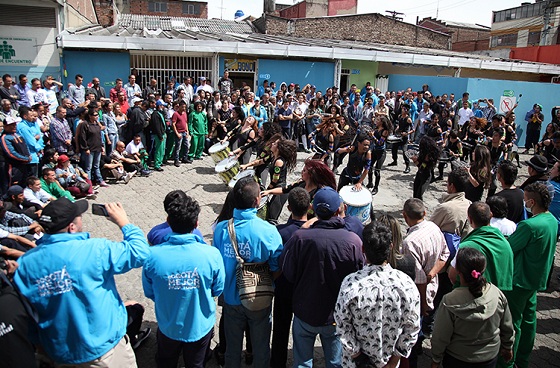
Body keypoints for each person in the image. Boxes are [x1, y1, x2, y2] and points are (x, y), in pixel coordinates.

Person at [13, 198, 150, 366]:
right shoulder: (95, 249)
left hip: (59, 354)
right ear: (72, 227)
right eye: (79, 217)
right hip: (104, 352)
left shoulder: (24, 265)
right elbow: (140, 252)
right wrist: (124, 222)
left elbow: (27, 315)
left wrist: (40, 345)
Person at [280, 187, 364, 368]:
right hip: (336, 314)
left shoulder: (300, 237)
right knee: (335, 362)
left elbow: (288, 271)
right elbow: (359, 277)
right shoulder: (352, 241)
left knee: (302, 362)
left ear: (313, 209)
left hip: (305, 311)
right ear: (338, 211)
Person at [143, 192, 225, 368]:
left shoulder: (152, 256)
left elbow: (150, 292)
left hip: (168, 324)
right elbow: (217, 289)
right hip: (200, 325)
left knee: (166, 361)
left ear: (169, 222)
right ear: (196, 224)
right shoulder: (211, 255)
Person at [212, 177, 283, 368]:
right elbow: (277, 266)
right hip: (259, 298)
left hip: (231, 298)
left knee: (232, 349)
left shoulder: (221, 229)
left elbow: (217, 262)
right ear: (257, 201)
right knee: (261, 348)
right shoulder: (268, 231)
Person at [335, 221, 420, 368]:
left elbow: (342, 325)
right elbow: (412, 327)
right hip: (388, 362)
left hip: (356, 364)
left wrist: (359, 357)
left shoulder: (351, 284)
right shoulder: (406, 285)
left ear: (363, 249)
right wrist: (393, 362)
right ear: (391, 247)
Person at [500, 182, 558, 368]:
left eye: (525, 200)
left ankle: (507, 362)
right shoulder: (553, 221)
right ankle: (523, 359)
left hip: (519, 280)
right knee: (529, 321)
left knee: (512, 324)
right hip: (536, 279)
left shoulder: (529, 225)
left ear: (532, 202)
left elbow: (509, 247)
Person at [431, 247, 514, 368]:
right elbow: (507, 326)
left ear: (458, 270)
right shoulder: (496, 293)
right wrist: (508, 346)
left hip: (457, 358)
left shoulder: (449, 300)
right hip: (489, 357)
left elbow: (440, 336)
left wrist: (435, 359)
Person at [271, 187, 310, 368]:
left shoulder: (281, 232)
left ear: (288, 208)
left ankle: (277, 361)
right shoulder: (313, 232)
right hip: (305, 290)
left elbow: (276, 262)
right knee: (305, 331)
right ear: (309, 207)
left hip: (284, 287)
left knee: (280, 328)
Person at [401, 198, 449, 335]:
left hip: (420, 294)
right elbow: (445, 254)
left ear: (404, 215)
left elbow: (420, 279)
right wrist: (432, 274)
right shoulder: (434, 227)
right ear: (425, 213)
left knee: (415, 326)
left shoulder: (409, 242)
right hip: (434, 284)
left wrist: (422, 304)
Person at [448, 201, 514, 292]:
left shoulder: (465, 247)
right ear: (491, 216)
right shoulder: (505, 243)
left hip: (471, 296)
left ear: (470, 219)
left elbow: (452, 276)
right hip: (496, 297)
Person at [366, 115, 392, 193]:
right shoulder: (376, 129)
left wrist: (372, 136)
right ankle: (370, 183)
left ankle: (376, 187)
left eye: (378, 120)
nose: (376, 121)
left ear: (382, 122)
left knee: (377, 171)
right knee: (369, 167)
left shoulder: (385, 131)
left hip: (381, 153)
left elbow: (380, 143)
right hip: (374, 150)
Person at [411, 136, 439, 200]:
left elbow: (423, 167)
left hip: (426, 176)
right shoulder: (423, 153)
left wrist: (415, 161)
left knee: (419, 194)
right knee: (415, 192)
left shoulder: (429, 155)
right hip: (419, 174)